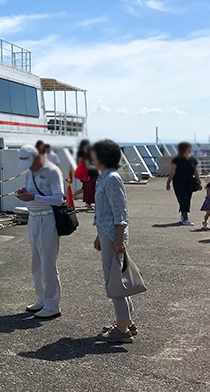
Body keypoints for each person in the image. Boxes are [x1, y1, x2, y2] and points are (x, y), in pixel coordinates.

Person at [91, 139, 135, 343]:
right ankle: (126, 321)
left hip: (112, 236)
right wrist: (99, 235)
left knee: (115, 280)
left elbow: (120, 212)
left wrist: (119, 238)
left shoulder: (112, 179)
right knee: (117, 279)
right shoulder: (105, 177)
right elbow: (104, 211)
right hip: (107, 234)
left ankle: (122, 329)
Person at [16, 143, 64, 319]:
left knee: (48, 262)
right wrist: (24, 194)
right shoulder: (29, 172)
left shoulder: (52, 171)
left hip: (47, 218)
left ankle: (53, 304)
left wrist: (34, 197)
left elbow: (59, 199)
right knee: (36, 261)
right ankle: (42, 298)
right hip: (33, 217)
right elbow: (30, 191)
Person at [166, 142, 204, 225]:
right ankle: (184, 217)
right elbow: (172, 172)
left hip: (188, 182)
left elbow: (195, 172)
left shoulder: (192, 160)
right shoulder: (176, 160)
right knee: (182, 199)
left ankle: (184, 216)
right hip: (178, 182)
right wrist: (168, 182)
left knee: (187, 199)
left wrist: (199, 182)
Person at [75, 139, 98, 211]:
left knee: (87, 188)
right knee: (88, 189)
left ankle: (89, 203)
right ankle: (88, 203)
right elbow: (81, 163)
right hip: (89, 173)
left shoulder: (87, 153)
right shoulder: (82, 153)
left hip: (92, 173)